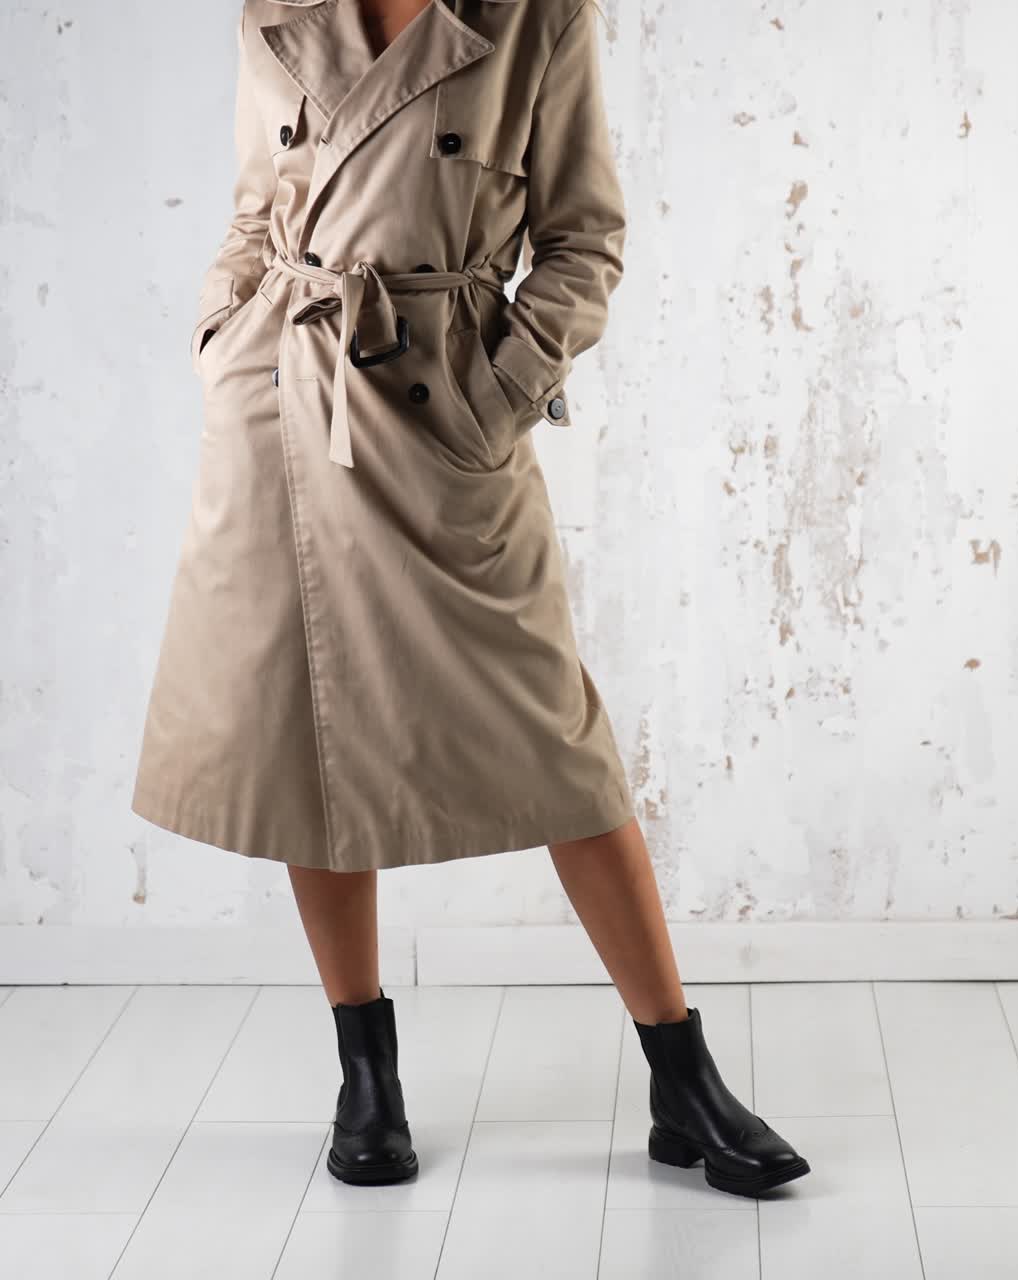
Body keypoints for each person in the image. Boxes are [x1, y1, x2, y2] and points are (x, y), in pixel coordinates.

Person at [131, 0, 810, 1198]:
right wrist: (220, 330)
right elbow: (255, 207)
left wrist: (489, 401)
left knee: (555, 740)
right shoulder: (276, 11)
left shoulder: (537, 17)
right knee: (308, 740)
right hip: (281, 410)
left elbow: (583, 239)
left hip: (434, 414)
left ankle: (679, 1072)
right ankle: (366, 1068)